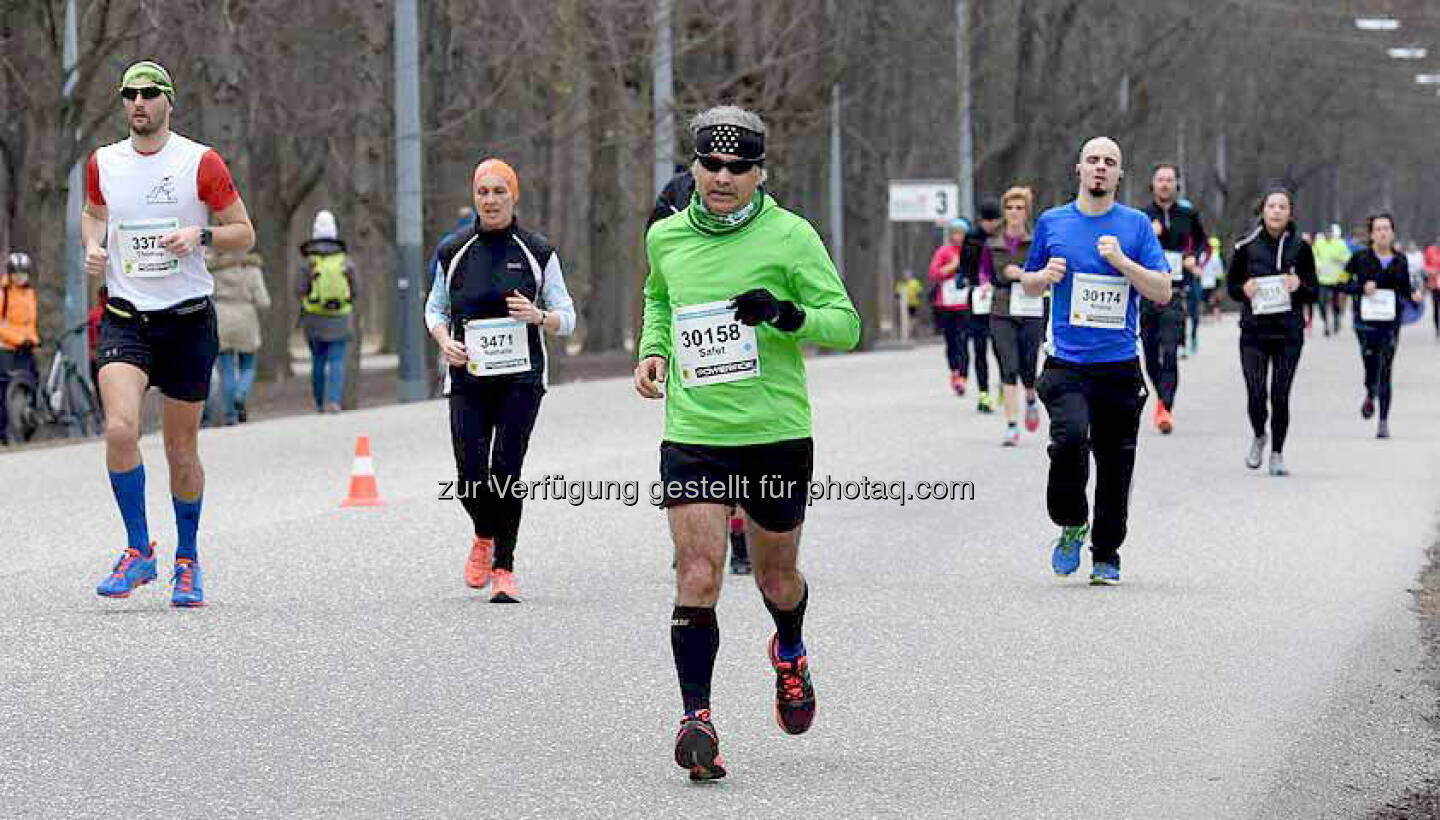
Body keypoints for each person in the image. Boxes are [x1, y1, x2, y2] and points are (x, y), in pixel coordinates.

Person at [634, 106, 859, 781]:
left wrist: (786, 315)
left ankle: (788, 648)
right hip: (695, 432)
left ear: (760, 172)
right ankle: (696, 720)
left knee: (776, 578)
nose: (723, 178)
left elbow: (846, 324)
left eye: (739, 167)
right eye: (712, 165)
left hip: (775, 434)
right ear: (694, 167)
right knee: (698, 574)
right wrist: (653, 351)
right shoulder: (667, 238)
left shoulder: (792, 236)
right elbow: (659, 299)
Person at [84, 60, 255, 606]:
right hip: (126, 318)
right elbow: (93, 213)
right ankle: (140, 551)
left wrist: (200, 233)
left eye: (149, 93)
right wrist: (92, 244)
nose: (138, 102)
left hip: (185, 321)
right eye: (129, 95)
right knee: (119, 430)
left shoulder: (198, 161)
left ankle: (188, 558)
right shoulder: (104, 162)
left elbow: (244, 233)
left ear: (168, 102)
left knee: (181, 450)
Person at [1018, 136, 1171, 586]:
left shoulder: (1136, 226)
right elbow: (1026, 284)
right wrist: (1042, 277)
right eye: (1093, 160)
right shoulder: (1052, 222)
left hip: (1120, 365)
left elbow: (1162, 291)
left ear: (1120, 175)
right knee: (1068, 442)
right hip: (1066, 363)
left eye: (1110, 162)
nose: (1100, 168)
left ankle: (1106, 553)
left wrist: (1123, 262)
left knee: (1115, 464)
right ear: (1079, 169)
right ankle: (1070, 522)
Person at [426, 158, 576, 604]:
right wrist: (442, 340)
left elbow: (567, 316)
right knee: (470, 477)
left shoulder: (536, 251)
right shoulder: (453, 251)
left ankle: (504, 569)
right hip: (468, 378)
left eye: (499, 191)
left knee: (506, 473)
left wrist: (539, 316)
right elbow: (435, 308)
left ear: (514, 196)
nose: (490, 200)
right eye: (483, 192)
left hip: (521, 380)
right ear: (474, 197)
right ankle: (484, 533)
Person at [651, 166, 752, 575]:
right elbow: (657, 266)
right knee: (693, 445)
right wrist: (654, 348)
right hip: (692, 334)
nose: (720, 175)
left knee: (741, 444)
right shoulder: (671, 198)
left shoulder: (744, 194)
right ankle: (692, 538)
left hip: (739, 330)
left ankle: (742, 543)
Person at [1226, 188, 1317, 476]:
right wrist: (1244, 290)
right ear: (1262, 211)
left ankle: (1277, 452)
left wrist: (1298, 286)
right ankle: (1259, 435)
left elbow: (1315, 291)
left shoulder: (1300, 248)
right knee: (1255, 393)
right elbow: (1231, 287)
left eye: (1282, 206)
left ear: (1290, 213)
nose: (1276, 211)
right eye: (1271, 206)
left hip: (1288, 334)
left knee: (1280, 395)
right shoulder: (1246, 246)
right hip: (1254, 333)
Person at [1342, 212, 1424, 438]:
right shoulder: (1360, 258)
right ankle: (1370, 393)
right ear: (1371, 234)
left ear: (1392, 232)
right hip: (1365, 323)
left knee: (1386, 369)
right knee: (1371, 366)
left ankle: (1383, 421)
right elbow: (1343, 282)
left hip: (1390, 323)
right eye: (1378, 229)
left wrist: (1414, 296)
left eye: (1386, 228)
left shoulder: (1400, 260)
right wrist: (1360, 288)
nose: (1383, 233)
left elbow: (1405, 288)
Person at [1141, 163, 1206, 434]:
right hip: (1146, 293)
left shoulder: (1187, 215)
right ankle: (1161, 398)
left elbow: (1203, 243)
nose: (1165, 185)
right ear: (1153, 184)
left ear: (1176, 185)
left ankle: (1165, 406)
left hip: (1176, 293)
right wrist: (1149, 235)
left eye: (1170, 180)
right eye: (1160, 180)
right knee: (1150, 355)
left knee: (1169, 352)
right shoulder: (1142, 217)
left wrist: (1194, 258)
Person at [987, 186, 1045, 446]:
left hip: (1031, 308)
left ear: (1026, 213)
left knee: (1028, 366)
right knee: (1008, 366)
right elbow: (983, 273)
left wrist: (1022, 275)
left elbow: (1046, 275)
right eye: (1009, 208)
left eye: (1019, 208)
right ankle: (1011, 426)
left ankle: (1031, 397)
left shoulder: (1036, 242)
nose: (1014, 213)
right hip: (1001, 309)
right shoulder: (992, 243)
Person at [297, 210, 356, 413]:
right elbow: (356, 290)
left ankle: (319, 403)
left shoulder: (308, 262)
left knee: (318, 360)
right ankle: (334, 401)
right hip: (341, 316)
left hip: (314, 317)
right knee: (337, 360)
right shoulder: (345, 261)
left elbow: (299, 290)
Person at [209, 247, 270, 424]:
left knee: (226, 369)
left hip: (221, 318)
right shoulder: (251, 270)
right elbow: (263, 301)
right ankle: (241, 393)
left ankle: (231, 416)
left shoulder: (214, 271)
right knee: (248, 364)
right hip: (246, 317)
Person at [927, 217, 976, 395]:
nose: (958, 236)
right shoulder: (944, 251)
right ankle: (954, 371)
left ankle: (963, 376)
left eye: (961, 233)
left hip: (965, 304)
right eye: (954, 233)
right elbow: (934, 274)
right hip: (946, 304)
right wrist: (952, 266)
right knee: (951, 342)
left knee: (963, 341)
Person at [961, 200, 1000, 413]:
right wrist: (964, 278)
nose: (991, 225)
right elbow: (964, 264)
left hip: (999, 296)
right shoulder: (972, 237)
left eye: (994, 220)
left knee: (1000, 347)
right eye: (987, 221)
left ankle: (1006, 381)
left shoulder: (1001, 237)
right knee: (979, 348)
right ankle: (983, 392)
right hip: (977, 297)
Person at [0, 252, 40, 446]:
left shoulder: (30, 293)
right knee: (4, 390)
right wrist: (17, 338)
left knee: (33, 382)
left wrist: (31, 339)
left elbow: (31, 322)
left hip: (26, 346)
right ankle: (3, 433)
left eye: (23, 273)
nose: (19, 277)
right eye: (15, 273)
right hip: (6, 348)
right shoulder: (4, 293)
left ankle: (27, 424)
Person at [1312, 224, 1350, 336]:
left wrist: (1339, 258)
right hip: (1322, 278)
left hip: (1336, 278)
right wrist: (1316, 264)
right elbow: (1313, 255)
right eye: (1326, 233)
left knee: (1335, 303)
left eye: (1330, 233)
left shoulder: (1340, 244)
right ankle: (1325, 322)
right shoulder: (1319, 243)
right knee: (1321, 302)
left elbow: (1348, 259)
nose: (1328, 235)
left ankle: (1336, 319)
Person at [1199, 235, 1225, 320]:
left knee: (1203, 298)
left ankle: (1201, 314)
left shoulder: (1202, 255)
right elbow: (1219, 270)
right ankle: (1217, 315)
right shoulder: (1216, 256)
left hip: (1203, 279)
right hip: (1213, 279)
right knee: (1214, 298)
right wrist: (1220, 279)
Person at [1424, 236, 1440, 336]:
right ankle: (1437, 328)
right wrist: (1431, 270)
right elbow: (1425, 265)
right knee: (1436, 306)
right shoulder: (1430, 251)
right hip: (1434, 283)